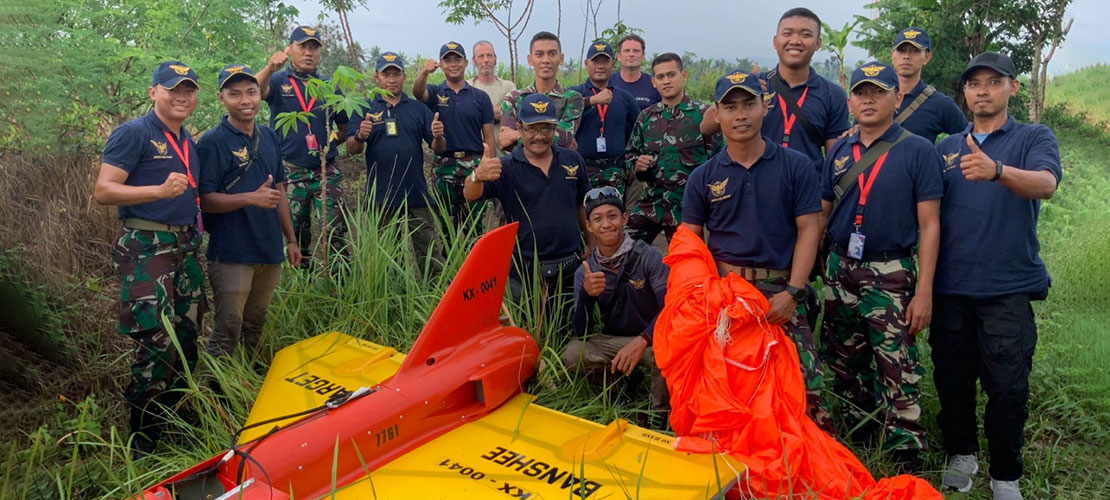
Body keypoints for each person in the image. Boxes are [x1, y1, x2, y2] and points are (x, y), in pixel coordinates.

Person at [931, 52, 1060, 500]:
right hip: (950, 286)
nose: (982, 91)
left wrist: (998, 170)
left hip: (1006, 286)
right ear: (964, 92)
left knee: (1007, 385)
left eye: (992, 82)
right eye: (973, 84)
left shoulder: (1032, 137)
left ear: (1013, 88)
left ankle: (1006, 474)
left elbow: (1046, 184)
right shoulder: (945, 148)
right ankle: (962, 453)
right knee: (952, 378)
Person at [681, 69, 831, 433]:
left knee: (807, 391)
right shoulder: (703, 176)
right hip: (727, 296)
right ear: (716, 114)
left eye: (749, 103)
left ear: (765, 107)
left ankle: (810, 464)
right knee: (727, 388)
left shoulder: (795, 166)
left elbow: (810, 229)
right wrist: (706, 298)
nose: (741, 114)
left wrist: (794, 292)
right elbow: (689, 243)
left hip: (781, 293)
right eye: (730, 107)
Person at [819, 61, 943, 470]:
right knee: (843, 357)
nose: (868, 99)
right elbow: (822, 214)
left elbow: (930, 224)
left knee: (896, 362)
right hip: (840, 268)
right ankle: (860, 430)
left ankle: (906, 447)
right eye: (860, 92)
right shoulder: (838, 149)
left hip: (890, 272)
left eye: (878, 91)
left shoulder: (918, 149)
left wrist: (923, 292)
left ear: (897, 97)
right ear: (850, 99)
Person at [92, 61, 207, 457]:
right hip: (146, 248)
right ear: (153, 91)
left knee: (188, 335)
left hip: (185, 247)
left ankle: (178, 418)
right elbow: (104, 191)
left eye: (189, 90)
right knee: (155, 342)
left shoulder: (188, 140)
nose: (182, 96)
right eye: (173, 88)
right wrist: (157, 192)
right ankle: (145, 437)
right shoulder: (134, 133)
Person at [464, 93, 591, 335]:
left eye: (546, 128)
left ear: (555, 128)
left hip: (569, 268)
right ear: (520, 128)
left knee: (572, 332)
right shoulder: (506, 167)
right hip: (526, 273)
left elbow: (582, 204)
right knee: (529, 335)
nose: (539, 136)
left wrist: (592, 242)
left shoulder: (573, 160)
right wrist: (476, 176)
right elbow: (470, 195)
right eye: (532, 128)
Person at [197, 65, 301, 359]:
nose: (245, 100)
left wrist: (290, 240)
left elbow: (279, 189)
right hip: (231, 251)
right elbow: (204, 200)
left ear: (260, 95)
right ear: (221, 98)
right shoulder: (212, 141)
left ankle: (251, 379)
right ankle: (217, 394)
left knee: (256, 322)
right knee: (228, 325)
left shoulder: (269, 136)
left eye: (251, 92)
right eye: (235, 93)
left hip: (268, 249)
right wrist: (249, 198)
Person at [563, 186, 670, 418]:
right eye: (598, 219)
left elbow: (669, 309)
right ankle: (620, 384)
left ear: (624, 219)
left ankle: (658, 415)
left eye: (612, 216)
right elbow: (581, 332)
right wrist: (586, 296)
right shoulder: (586, 270)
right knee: (572, 354)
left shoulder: (649, 256)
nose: (606, 224)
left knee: (668, 351)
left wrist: (642, 340)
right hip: (613, 339)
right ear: (589, 226)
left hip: (650, 339)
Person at [701, 8, 849, 173]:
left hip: (808, 189)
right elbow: (706, 128)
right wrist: (743, 96)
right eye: (787, 34)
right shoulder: (755, 87)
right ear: (775, 41)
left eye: (805, 35)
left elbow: (835, 159)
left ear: (818, 43)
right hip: (755, 185)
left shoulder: (833, 95)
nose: (795, 41)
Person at [346, 52, 447, 278]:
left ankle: (435, 298)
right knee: (387, 255)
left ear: (404, 77)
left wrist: (439, 136)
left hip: (416, 193)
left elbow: (437, 147)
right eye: (386, 74)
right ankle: (392, 299)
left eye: (396, 74)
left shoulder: (418, 109)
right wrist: (361, 136)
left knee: (428, 252)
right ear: (376, 77)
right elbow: (352, 148)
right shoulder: (365, 107)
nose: (391, 79)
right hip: (381, 196)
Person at [256, 25, 349, 268]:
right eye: (302, 47)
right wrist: (269, 68)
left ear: (319, 54)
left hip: (325, 170)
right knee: (295, 233)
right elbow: (253, 92)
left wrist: (330, 143)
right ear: (290, 49)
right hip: (289, 170)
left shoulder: (329, 85)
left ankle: (339, 281)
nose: (308, 52)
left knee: (335, 229)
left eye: (314, 48)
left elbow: (344, 126)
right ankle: (302, 283)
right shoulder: (278, 81)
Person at [625, 53, 718, 244]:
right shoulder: (646, 117)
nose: (666, 81)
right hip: (652, 202)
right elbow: (630, 154)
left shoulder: (703, 115)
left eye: (671, 75)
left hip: (686, 207)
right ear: (653, 82)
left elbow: (718, 160)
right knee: (623, 248)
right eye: (660, 77)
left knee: (687, 263)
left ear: (683, 75)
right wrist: (637, 163)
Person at [413, 42, 497, 229]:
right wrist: (425, 72)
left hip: (473, 165)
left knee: (474, 224)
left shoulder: (480, 97)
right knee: (446, 224)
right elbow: (418, 92)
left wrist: (489, 164)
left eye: (457, 59)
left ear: (466, 63)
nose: (453, 64)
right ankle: (451, 257)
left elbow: (489, 136)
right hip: (444, 166)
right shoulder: (436, 92)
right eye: (448, 60)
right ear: (441, 65)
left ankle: (474, 257)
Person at [571, 40, 639, 195]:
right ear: (586, 63)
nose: (600, 66)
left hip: (615, 171)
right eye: (595, 61)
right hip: (581, 169)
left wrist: (631, 162)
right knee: (583, 216)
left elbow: (638, 133)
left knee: (613, 215)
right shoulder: (575, 94)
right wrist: (592, 101)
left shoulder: (625, 98)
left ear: (613, 64)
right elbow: (559, 108)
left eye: (605, 61)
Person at [499, 31, 584, 152]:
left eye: (552, 54)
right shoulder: (514, 99)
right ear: (530, 59)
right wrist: (555, 138)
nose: (546, 60)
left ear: (561, 58)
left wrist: (517, 135)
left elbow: (565, 138)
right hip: (521, 168)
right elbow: (505, 142)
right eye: (539, 55)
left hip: (559, 167)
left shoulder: (572, 99)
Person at [890, 27, 968, 143]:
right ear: (893, 56)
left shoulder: (940, 104)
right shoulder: (877, 97)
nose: (906, 56)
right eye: (901, 50)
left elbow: (968, 139)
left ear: (927, 57)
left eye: (915, 51)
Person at [468, 40, 517, 150]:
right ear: (474, 61)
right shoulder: (467, 87)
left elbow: (510, 114)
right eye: (481, 56)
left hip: (504, 155)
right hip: (474, 157)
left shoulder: (508, 87)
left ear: (495, 59)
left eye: (489, 55)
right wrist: (496, 110)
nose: (486, 60)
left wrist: (478, 112)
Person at [610, 34, 661, 112]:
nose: (631, 54)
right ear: (619, 56)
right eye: (627, 51)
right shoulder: (608, 83)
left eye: (636, 51)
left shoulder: (655, 83)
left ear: (643, 56)